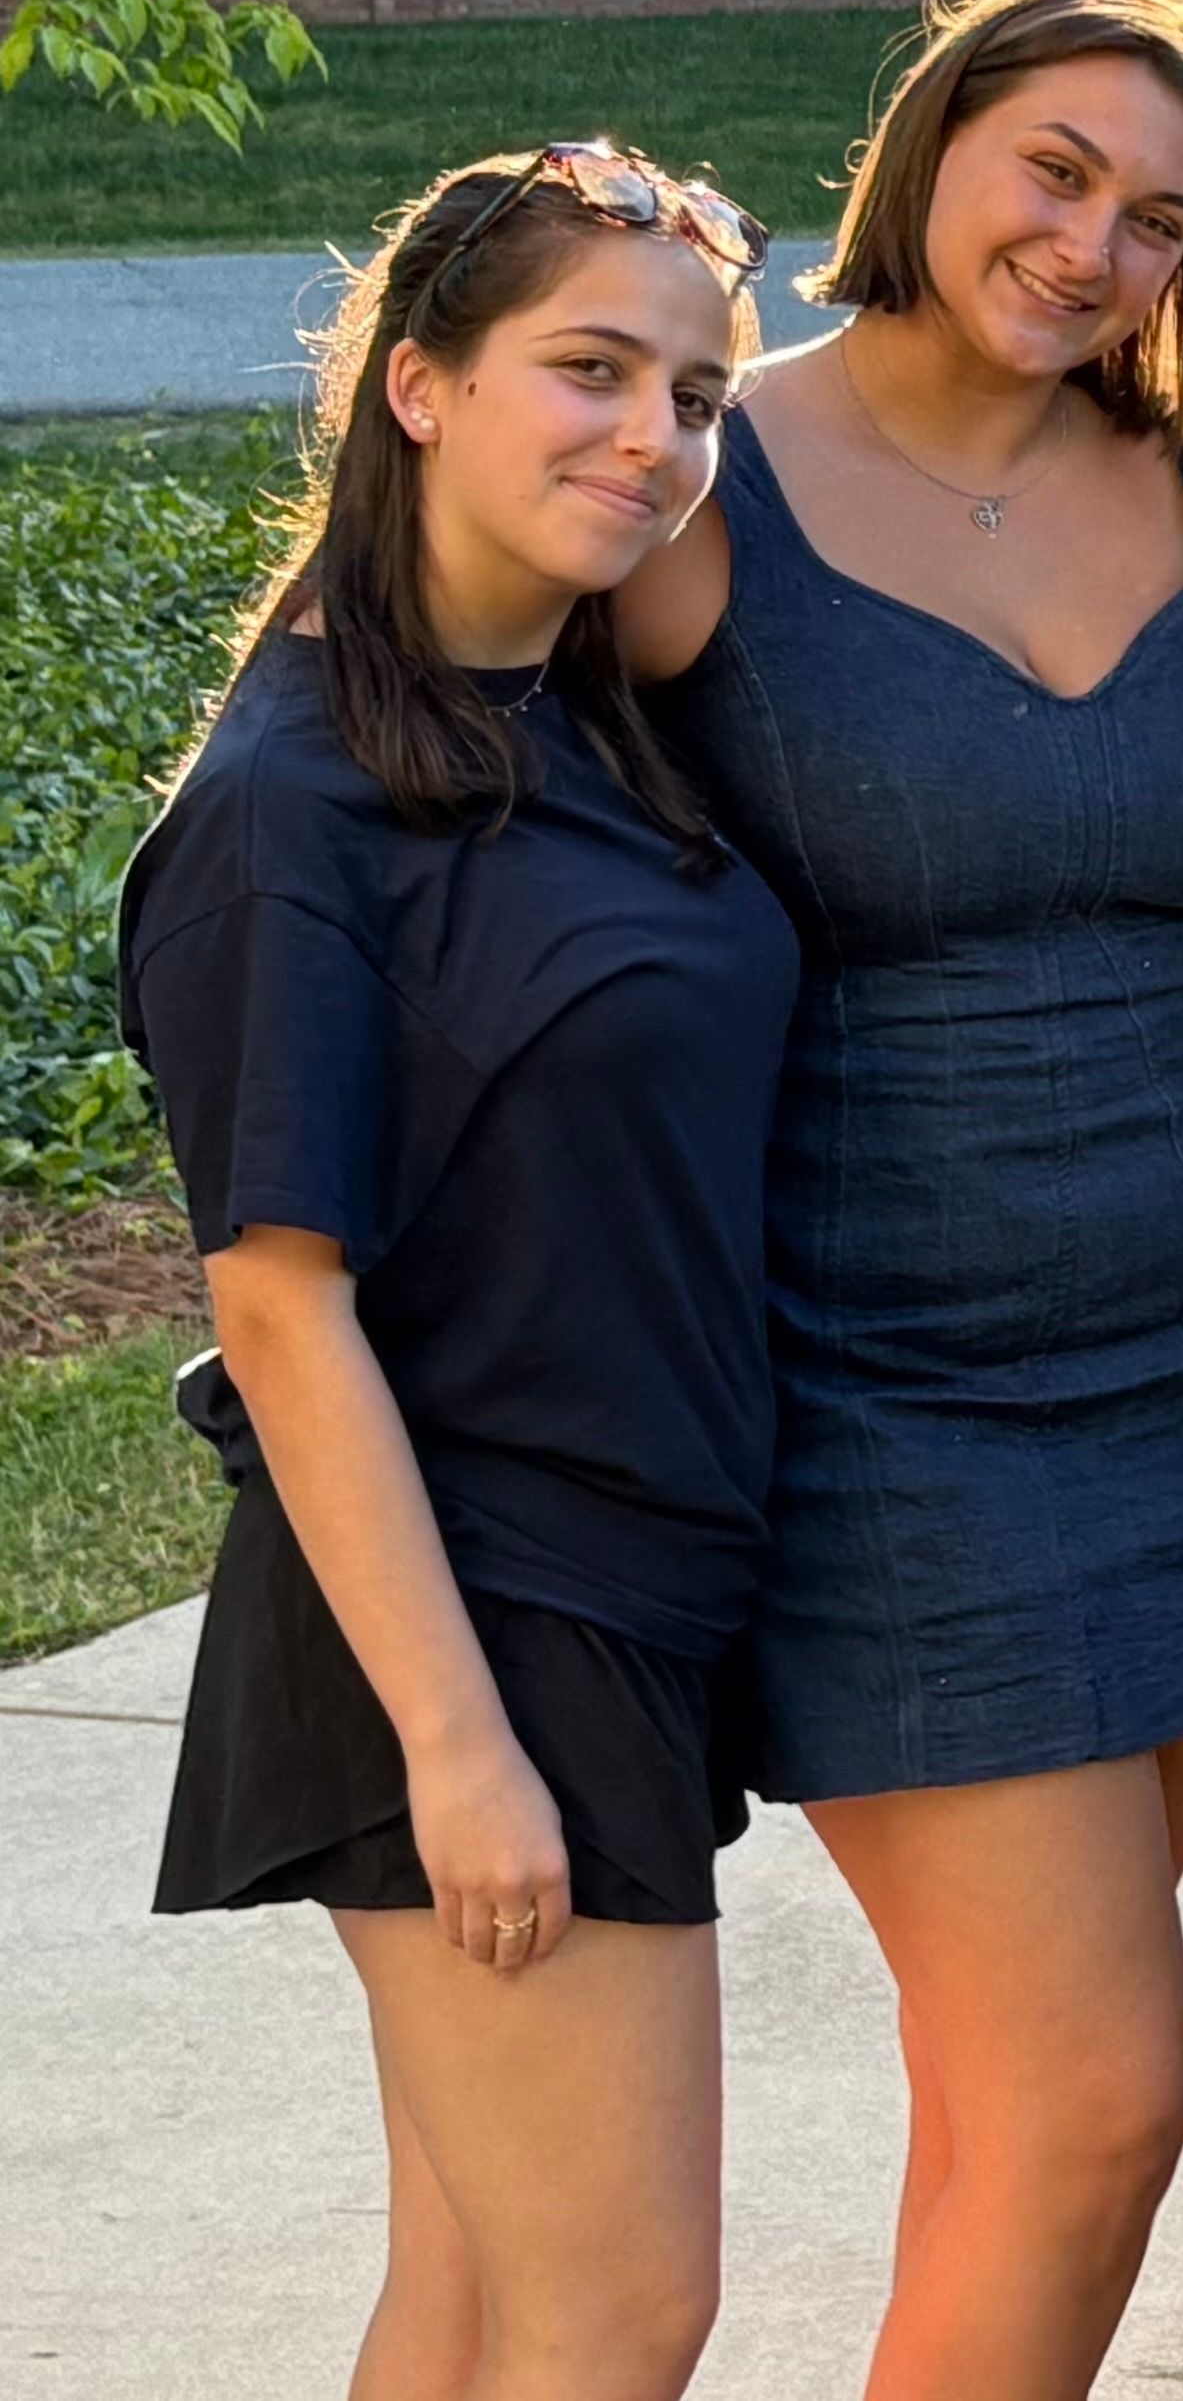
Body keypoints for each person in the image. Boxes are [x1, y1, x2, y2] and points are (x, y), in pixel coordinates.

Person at [619, 0, 1183, 2397]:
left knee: (1004, 2112)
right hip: (884, 1408)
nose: (1094, 244)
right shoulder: (713, 480)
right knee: (1100, 2095)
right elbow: (401, 742)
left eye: (1160, 216)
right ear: (928, 147)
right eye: (1054, 170)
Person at [129, 144, 790, 2401]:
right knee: (618, 2310)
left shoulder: (566, 715)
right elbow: (278, 1301)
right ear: (418, 385)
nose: (653, 436)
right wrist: (460, 1745)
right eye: (587, 371)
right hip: (476, 1622)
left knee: (485, 2297)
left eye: (697, 394)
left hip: (611, 1585)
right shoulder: (291, 812)